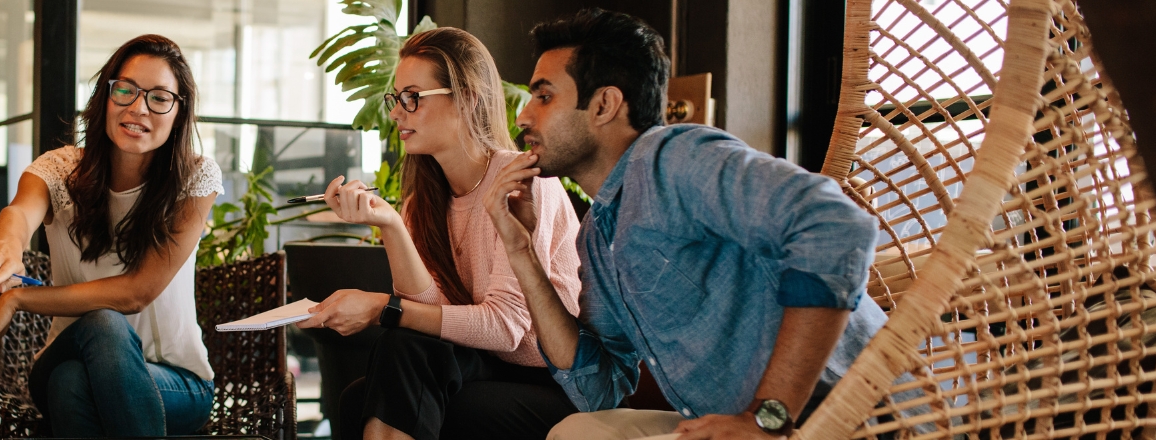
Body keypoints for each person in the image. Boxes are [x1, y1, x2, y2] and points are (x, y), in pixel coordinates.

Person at [480, 8, 889, 440]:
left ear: (604, 105)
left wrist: (765, 419)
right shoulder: (599, 236)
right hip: (732, 425)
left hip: (853, 420)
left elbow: (836, 225)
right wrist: (521, 252)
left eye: (543, 97)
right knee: (579, 430)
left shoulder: (674, 159)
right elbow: (599, 388)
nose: (524, 117)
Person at [295, 27, 585, 440]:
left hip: (551, 379)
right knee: (366, 388)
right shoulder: (423, 203)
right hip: (480, 363)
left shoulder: (522, 184)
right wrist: (392, 225)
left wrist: (382, 308)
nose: (397, 113)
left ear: (467, 97)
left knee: (403, 390)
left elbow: (506, 328)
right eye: (395, 99)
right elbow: (432, 318)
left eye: (412, 97)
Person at [0, 34, 220, 437]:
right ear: (105, 95)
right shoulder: (61, 169)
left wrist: (18, 298)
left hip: (177, 382)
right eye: (126, 90)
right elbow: (18, 213)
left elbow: (136, 293)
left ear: (178, 113)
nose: (138, 108)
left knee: (74, 380)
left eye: (159, 98)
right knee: (97, 331)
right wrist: (6, 247)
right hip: (63, 354)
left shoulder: (194, 179)